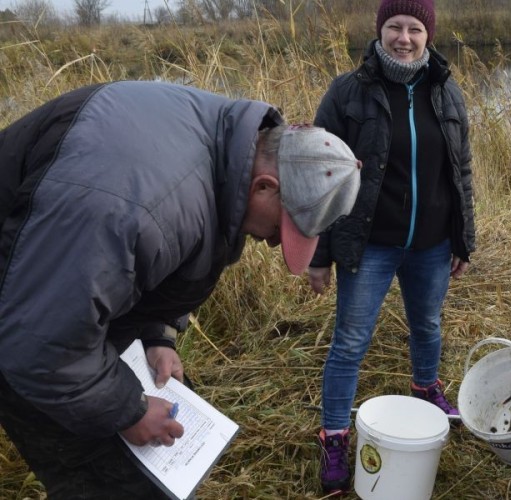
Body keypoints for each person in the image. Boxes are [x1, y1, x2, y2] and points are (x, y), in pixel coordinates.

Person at [0, 81, 360, 498]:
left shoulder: (229, 145)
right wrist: (128, 411)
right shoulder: (130, 206)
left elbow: (151, 259)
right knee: (112, 480)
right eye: (285, 226)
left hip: (53, 295)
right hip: (25, 319)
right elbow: (38, 344)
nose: (276, 242)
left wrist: (158, 334)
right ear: (264, 186)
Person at [309, 0, 475, 493]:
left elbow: (461, 170)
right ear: (380, 30)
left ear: (429, 35)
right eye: (395, 27)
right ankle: (335, 436)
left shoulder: (446, 90)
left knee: (428, 325)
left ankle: (426, 389)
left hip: (432, 244)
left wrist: (463, 238)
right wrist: (319, 254)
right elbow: (320, 176)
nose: (404, 38)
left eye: (415, 28)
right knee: (349, 342)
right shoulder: (347, 92)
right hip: (370, 245)